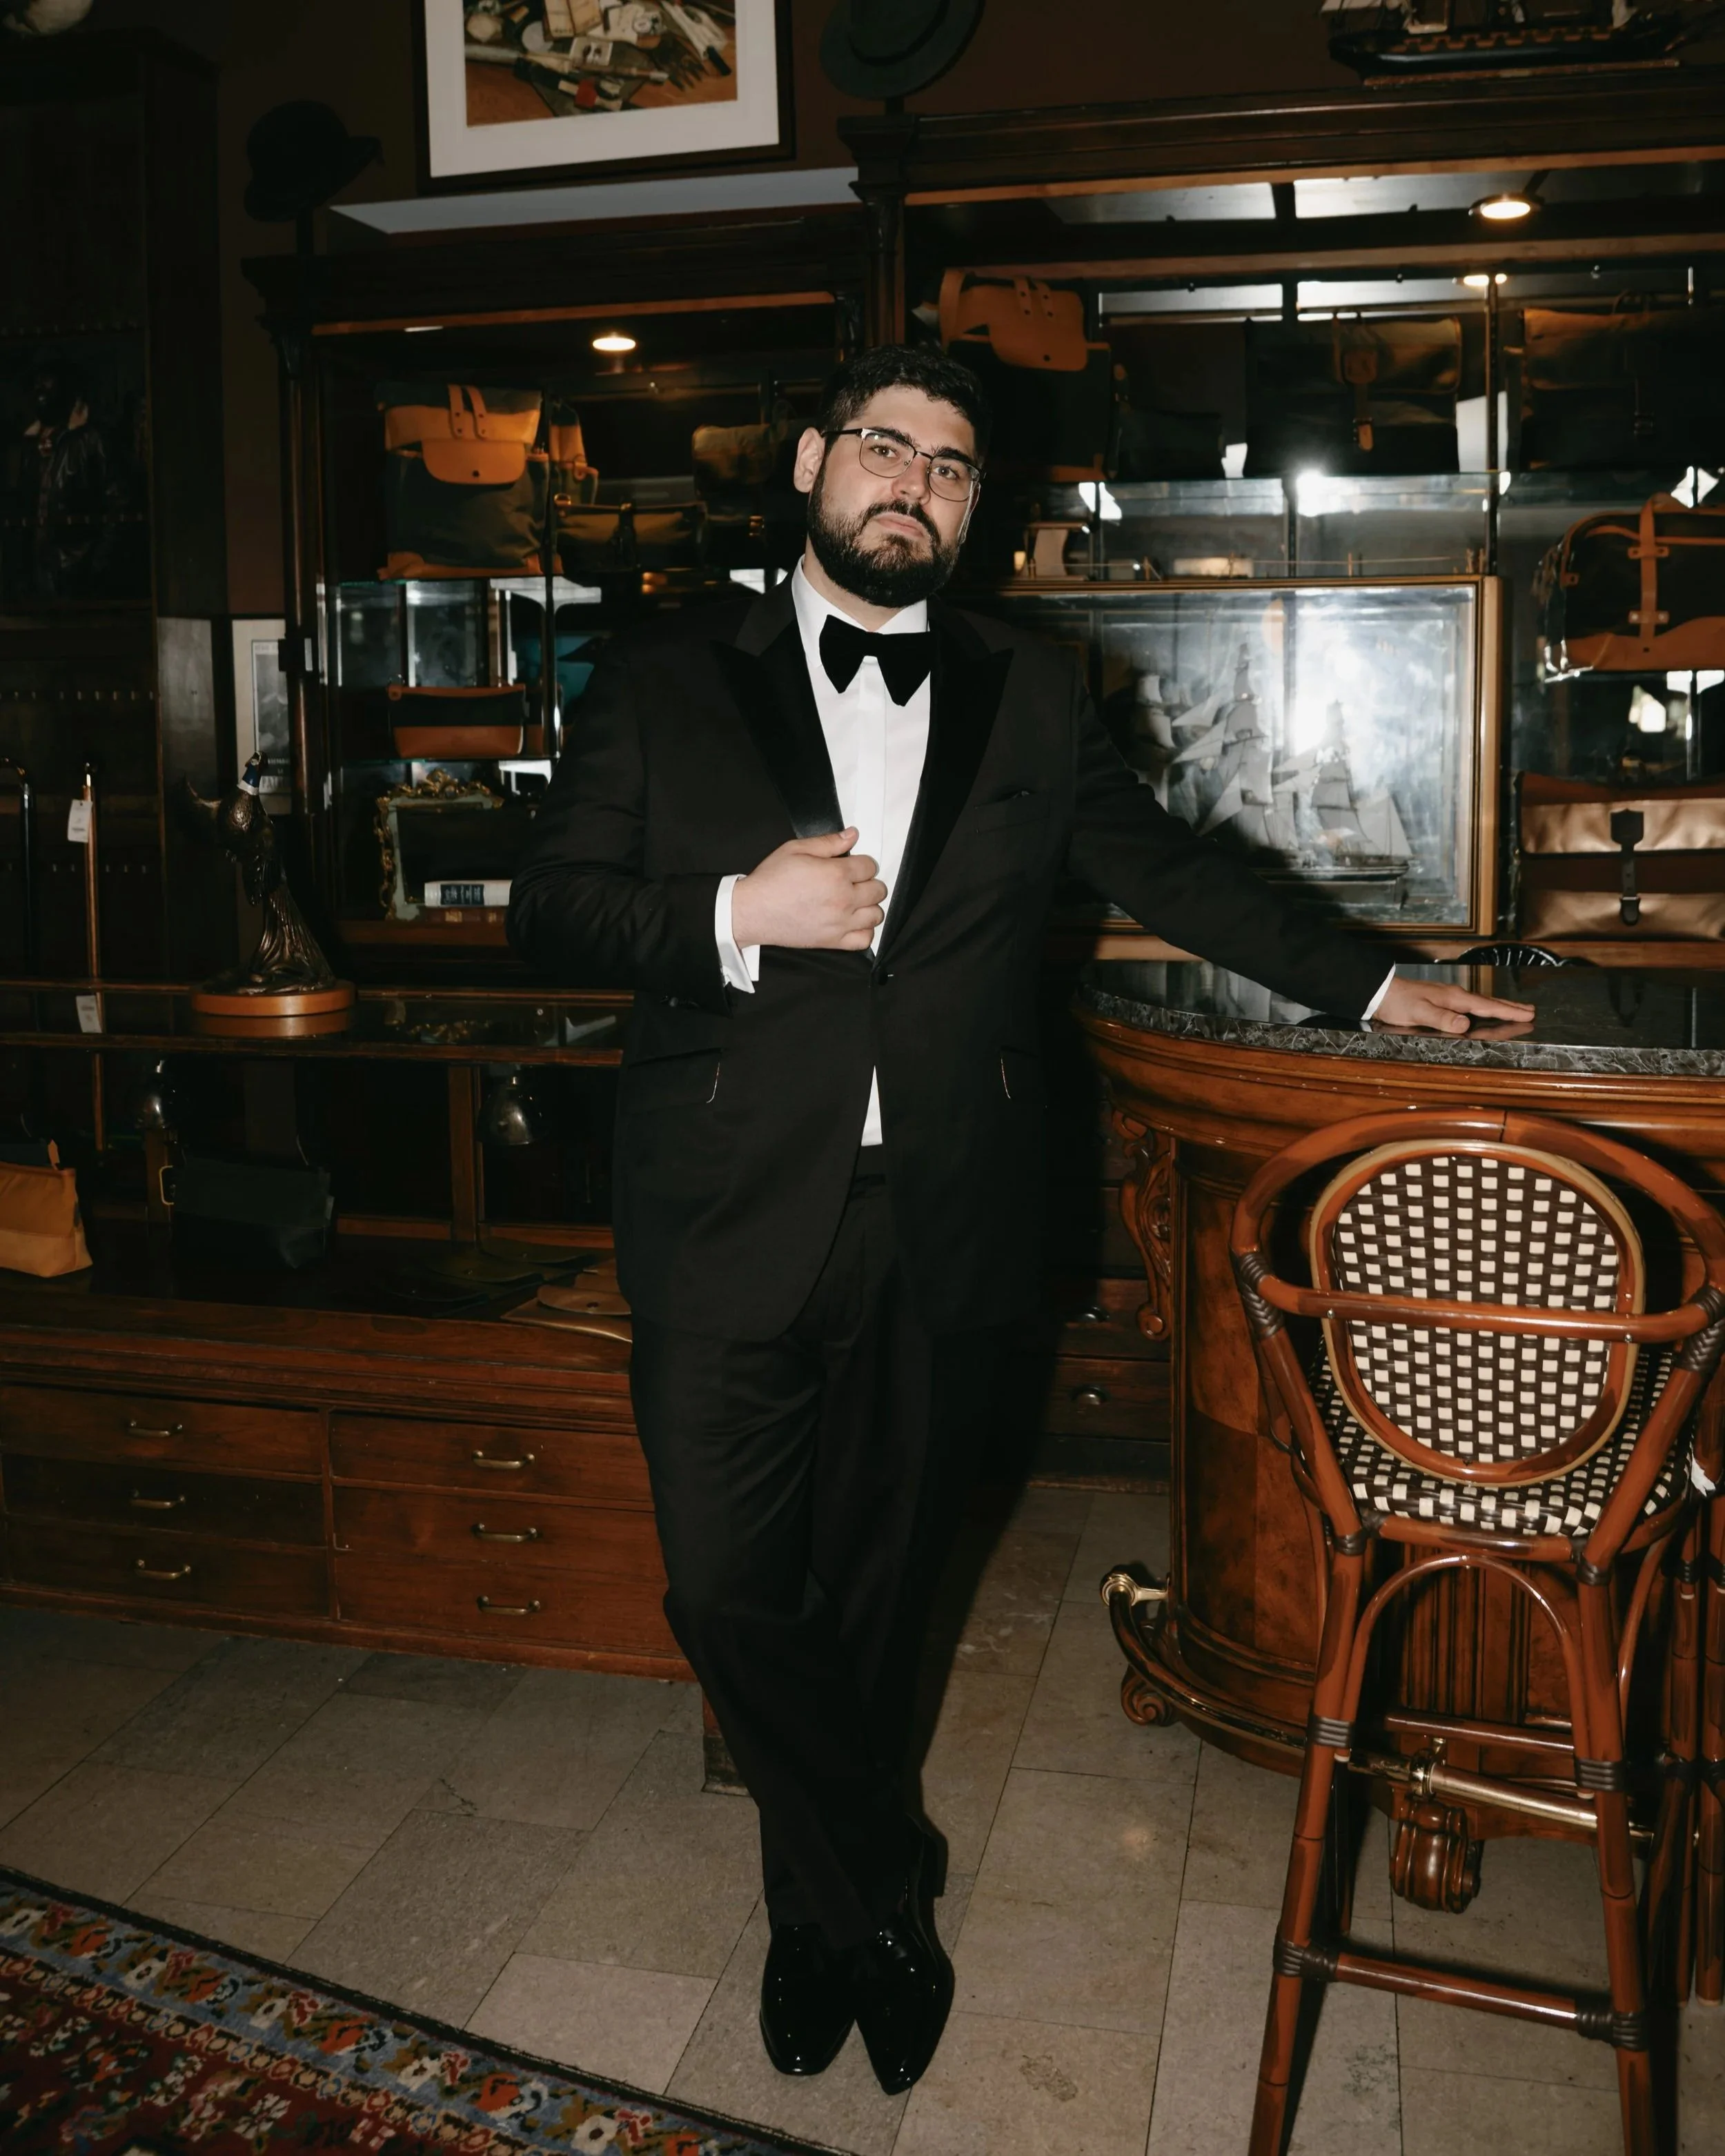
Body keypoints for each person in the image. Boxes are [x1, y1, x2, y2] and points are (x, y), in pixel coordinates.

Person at [506, 344, 1530, 2095]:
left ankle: (821, 1916)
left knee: (884, 1591)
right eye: (885, 448)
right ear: (817, 459)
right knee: (728, 1589)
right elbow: (551, 910)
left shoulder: (1030, 691)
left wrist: (1374, 985)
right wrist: (735, 908)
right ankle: (884, 1870)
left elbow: (1173, 869)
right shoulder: (671, 673)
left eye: (953, 467)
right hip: (723, 1209)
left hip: (948, 1218)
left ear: (975, 508)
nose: (914, 483)